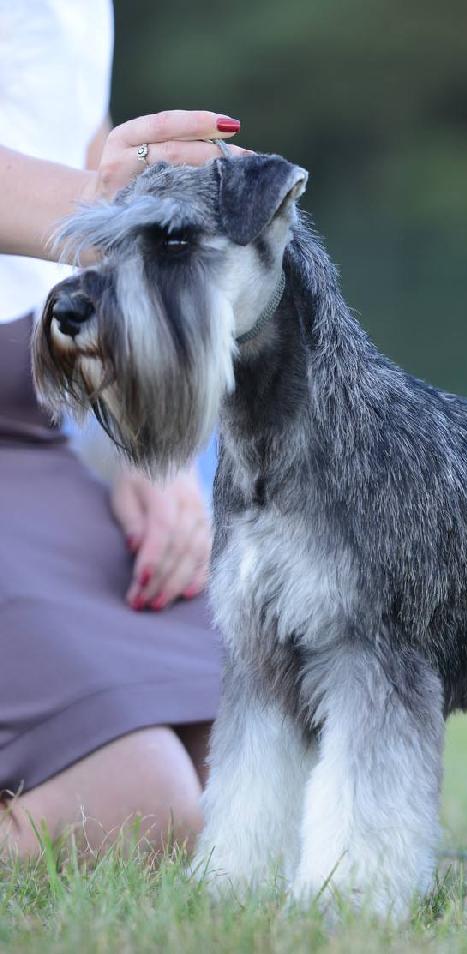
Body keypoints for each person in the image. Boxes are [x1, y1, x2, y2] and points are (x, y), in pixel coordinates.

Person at [0, 0, 247, 858]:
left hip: (23, 428)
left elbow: (64, 118)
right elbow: (89, 189)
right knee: (140, 808)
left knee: (255, 768)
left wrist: (144, 447)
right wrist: (106, 211)